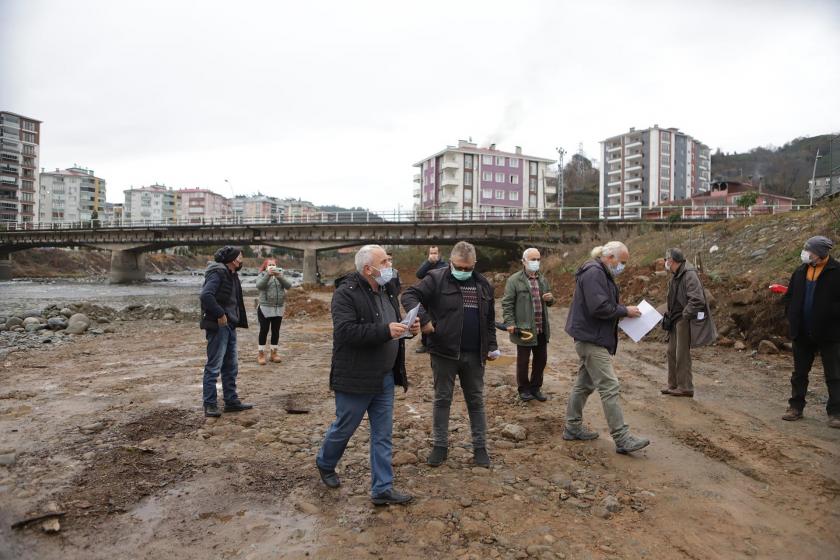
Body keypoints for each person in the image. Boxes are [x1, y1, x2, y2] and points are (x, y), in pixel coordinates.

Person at [316, 245, 420, 505]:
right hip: (356, 377)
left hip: (384, 376)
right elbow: (346, 332)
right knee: (345, 427)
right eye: (384, 261)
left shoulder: (388, 290)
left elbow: (391, 326)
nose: (389, 265)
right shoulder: (345, 295)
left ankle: (382, 489)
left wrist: (409, 328)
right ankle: (325, 462)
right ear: (368, 269)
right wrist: (386, 331)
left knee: (382, 435)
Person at [401, 241, 499, 468]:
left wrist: (492, 345)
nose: (463, 272)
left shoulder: (484, 285)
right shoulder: (436, 279)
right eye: (459, 267)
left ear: (475, 264)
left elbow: (490, 320)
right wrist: (424, 320)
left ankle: (480, 448)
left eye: (468, 268)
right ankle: (440, 446)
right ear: (451, 262)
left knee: (476, 400)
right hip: (444, 352)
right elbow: (409, 296)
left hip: (475, 355)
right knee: (442, 398)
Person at [563, 241, 650, 454]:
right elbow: (599, 307)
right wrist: (624, 311)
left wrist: (620, 312)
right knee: (609, 386)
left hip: (590, 336)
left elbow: (601, 305)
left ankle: (572, 427)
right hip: (591, 339)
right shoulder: (594, 273)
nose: (623, 267)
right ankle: (622, 438)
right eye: (623, 262)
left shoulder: (599, 271)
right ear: (610, 257)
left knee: (584, 385)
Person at [781, 236, 840, 428]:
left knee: (834, 374)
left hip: (829, 333)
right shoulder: (800, 271)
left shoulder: (836, 271)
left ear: (821, 253)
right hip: (802, 331)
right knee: (799, 373)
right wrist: (791, 315)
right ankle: (796, 407)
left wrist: (831, 315)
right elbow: (789, 296)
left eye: (809, 250)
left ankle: (835, 412)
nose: (806, 254)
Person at [199, 246, 254, 418]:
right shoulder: (218, 273)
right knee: (214, 366)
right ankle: (210, 404)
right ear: (233, 259)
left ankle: (231, 401)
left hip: (230, 325)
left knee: (231, 366)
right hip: (218, 326)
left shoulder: (232, 274)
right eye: (240, 255)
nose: (242, 259)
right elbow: (206, 295)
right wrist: (220, 314)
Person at [661, 248, 717, 397]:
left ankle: (685, 387)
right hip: (675, 319)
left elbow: (697, 299)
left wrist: (685, 315)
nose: (665, 263)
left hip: (684, 319)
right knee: (671, 352)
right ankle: (673, 385)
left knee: (682, 354)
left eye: (667, 260)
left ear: (672, 261)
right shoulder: (676, 275)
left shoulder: (689, 275)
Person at [502, 247, 555, 402]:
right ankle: (524, 389)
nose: (536, 262)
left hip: (541, 328)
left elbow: (550, 302)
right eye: (533, 259)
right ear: (524, 261)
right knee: (523, 361)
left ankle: (535, 388)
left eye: (538, 259)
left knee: (541, 360)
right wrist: (510, 322)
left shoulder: (542, 279)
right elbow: (507, 303)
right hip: (524, 329)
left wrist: (550, 299)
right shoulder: (514, 280)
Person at [254, 258, 292, 366]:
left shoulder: (281, 274)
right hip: (265, 308)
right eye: (269, 265)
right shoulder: (262, 275)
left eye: (273, 264)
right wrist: (268, 275)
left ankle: (274, 353)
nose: (272, 266)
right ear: (266, 267)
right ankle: (261, 354)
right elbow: (259, 286)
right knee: (264, 330)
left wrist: (279, 276)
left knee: (276, 331)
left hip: (278, 307)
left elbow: (288, 285)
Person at [414, 246, 449, 353]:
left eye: (435, 253)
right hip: (426, 297)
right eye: (431, 253)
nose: (433, 255)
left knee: (440, 321)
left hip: (440, 297)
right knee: (425, 320)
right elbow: (419, 274)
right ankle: (425, 344)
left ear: (439, 254)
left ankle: (441, 343)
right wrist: (429, 263)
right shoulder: (426, 264)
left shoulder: (445, 265)